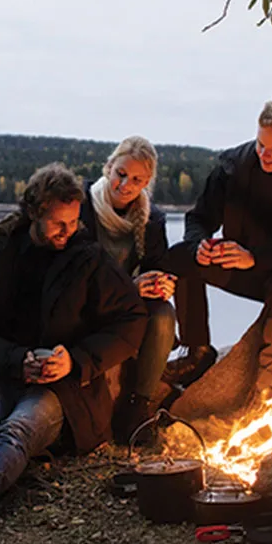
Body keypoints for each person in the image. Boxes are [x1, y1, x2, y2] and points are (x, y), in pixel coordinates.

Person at [0, 162, 148, 524]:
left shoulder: (89, 259)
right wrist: (14, 359)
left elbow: (132, 320)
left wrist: (75, 360)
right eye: (58, 223)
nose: (67, 231)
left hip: (64, 388)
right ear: (35, 213)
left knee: (22, 426)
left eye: (73, 222)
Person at [162, 96, 272, 396]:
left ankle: (268, 387)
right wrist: (199, 245)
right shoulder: (234, 165)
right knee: (181, 257)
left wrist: (255, 258)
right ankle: (197, 351)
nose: (264, 155)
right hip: (242, 265)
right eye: (260, 144)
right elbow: (198, 218)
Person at [78, 136, 177, 440]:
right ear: (109, 167)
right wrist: (128, 288)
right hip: (85, 300)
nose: (126, 185)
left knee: (163, 314)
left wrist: (160, 283)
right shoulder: (81, 204)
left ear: (147, 181)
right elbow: (75, 273)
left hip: (127, 302)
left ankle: (139, 405)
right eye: (121, 174)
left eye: (137, 179)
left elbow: (156, 265)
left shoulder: (152, 220)